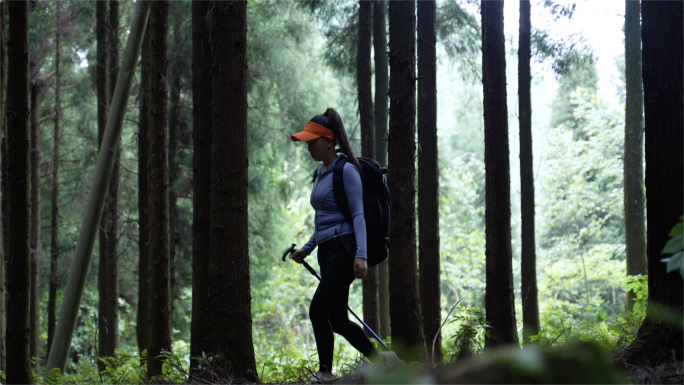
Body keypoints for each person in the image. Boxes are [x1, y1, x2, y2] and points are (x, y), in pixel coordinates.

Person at [290, 108, 378, 379]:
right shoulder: (320, 172)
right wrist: (308, 247)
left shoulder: (347, 170)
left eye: (312, 142)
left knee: (318, 310)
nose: (308, 147)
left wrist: (361, 255)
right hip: (327, 251)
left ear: (329, 141)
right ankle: (383, 362)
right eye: (306, 142)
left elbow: (358, 214)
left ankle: (325, 374)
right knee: (338, 319)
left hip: (344, 249)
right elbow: (323, 220)